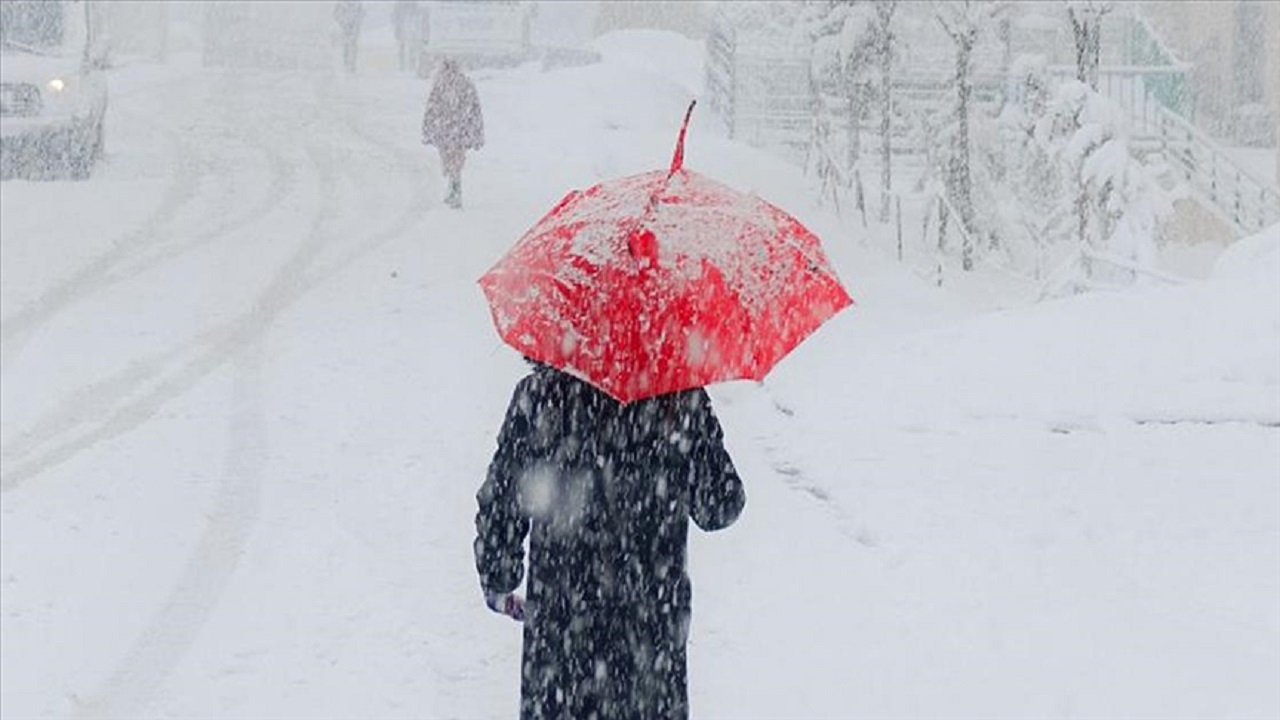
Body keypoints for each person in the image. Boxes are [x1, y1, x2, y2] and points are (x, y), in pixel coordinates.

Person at [474, 361, 745, 720]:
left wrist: (500, 575)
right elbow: (720, 507)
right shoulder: (677, 401)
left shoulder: (542, 396)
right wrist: (692, 423)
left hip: (562, 625)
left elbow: (502, 500)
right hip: (650, 629)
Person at [421, 59, 484, 209]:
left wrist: (428, 129)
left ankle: (454, 186)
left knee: (448, 159)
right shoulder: (466, 84)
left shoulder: (440, 85)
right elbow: (475, 110)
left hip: (445, 130)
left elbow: (431, 110)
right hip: (459, 130)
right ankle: (455, 184)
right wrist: (476, 131)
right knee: (457, 159)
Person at [332, 0, 364, 73]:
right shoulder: (341, 4)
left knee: (352, 46)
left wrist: (357, 22)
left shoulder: (357, 4)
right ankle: (346, 63)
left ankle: (352, 64)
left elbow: (362, 13)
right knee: (346, 46)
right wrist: (343, 22)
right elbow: (335, 14)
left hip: (354, 29)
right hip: (345, 28)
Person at [391, 0, 421, 73]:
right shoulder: (401, 5)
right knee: (404, 47)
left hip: (410, 28)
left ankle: (409, 64)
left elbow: (394, 16)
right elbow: (395, 16)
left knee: (410, 47)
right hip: (405, 28)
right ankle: (404, 65)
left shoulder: (409, 4)